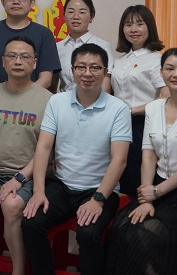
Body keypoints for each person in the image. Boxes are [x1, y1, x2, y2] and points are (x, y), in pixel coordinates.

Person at [105, 48, 177, 275]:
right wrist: (147, 195)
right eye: (170, 68)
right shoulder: (154, 107)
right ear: (161, 73)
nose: (176, 74)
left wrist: (156, 192)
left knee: (145, 234)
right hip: (156, 188)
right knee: (120, 228)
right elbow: (148, 154)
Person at [22, 43, 131, 275]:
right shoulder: (57, 101)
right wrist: (38, 191)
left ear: (105, 72)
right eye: (81, 67)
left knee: (88, 235)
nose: (87, 73)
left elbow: (119, 160)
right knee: (31, 223)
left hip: (99, 190)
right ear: (72, 70)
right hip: (62, 185)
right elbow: (43, 147)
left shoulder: (118, 109)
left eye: (95, 67)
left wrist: (98, 199)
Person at [0, 36, 53, 275]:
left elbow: (46, 149)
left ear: (34, 63)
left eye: (24, 57)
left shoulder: (49, 100)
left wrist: (20, 178)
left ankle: (18, 270)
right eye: (12, 56)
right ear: (3, 62)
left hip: (29, 175)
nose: (18, 61)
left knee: (12, 204)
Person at [110, 4, 168, 196]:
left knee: (136, 174)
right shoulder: (119, 60)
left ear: (149, 27)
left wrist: (133, 110)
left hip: (142, 124)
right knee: (118, 171)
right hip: (118, 123)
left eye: (139, 24)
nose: (133, 29)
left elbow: (167, 97)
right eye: (128, 25)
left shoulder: (156, 60)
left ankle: (141, 209)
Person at [56, 0, 113, 93]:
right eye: (71, 12)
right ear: (64, 16)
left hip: (94, 101)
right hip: (64, 101)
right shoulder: (57, 47)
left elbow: (106, 84)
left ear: (91, 17)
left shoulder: (103, 46)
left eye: (82, 12)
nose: (76, 17)